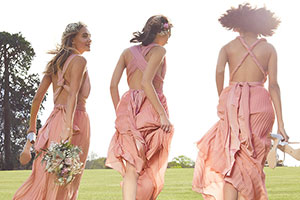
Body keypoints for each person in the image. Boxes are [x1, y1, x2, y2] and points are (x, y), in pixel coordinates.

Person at [192, 4, 289, 200]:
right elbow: (274, 86)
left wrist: (223, 98)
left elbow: (219, 72)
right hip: (260, 104)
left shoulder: (227, 48)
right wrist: (281, 124)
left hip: (233, 103)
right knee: (253, 161)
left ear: (237, 25)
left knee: (232, 161)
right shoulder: (269, 48)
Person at [14, 22, 91, 200]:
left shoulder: (55, 63)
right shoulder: (80, 61)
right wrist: (68, 127)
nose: (89, 40)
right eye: (84, 36)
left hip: (52, 122)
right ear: (73, 39)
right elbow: (72, 96)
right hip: (74, 121)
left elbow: (36, 99)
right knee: (67, 180)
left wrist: (31, 131)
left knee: (50, 177)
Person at [105, 15, 174, 200]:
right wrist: (162, 115)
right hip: (150, 108)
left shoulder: (127, 52)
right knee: (151, 163)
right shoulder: (159, 50)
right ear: (162, 31)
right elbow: (146, 82)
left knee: (131, 167)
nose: (170, 37)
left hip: (127, 108)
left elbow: (112, 85)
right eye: (169, 33)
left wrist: (120, 112)